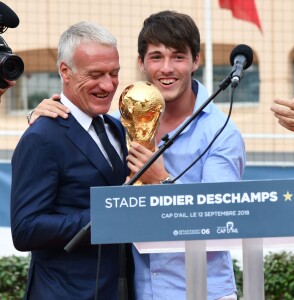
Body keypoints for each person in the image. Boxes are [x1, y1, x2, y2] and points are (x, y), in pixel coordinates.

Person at [28, 11, 245, 300]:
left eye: (178, 56)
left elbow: (222, 222)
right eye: (156, 57)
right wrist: (40, 114)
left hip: (203, 291)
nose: (167, 68)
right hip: (138, 290)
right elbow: (74, 129)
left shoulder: (222, 132)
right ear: (141, 63)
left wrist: (163, 181)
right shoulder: (119, 122)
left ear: (196, 61)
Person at [10, 21, 133, 300]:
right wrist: (105, 218)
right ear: (65, 71)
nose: (108, 84)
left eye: (114, 73)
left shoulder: (116, 128)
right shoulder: (41, 137)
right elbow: (25, 229)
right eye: (96, 74)